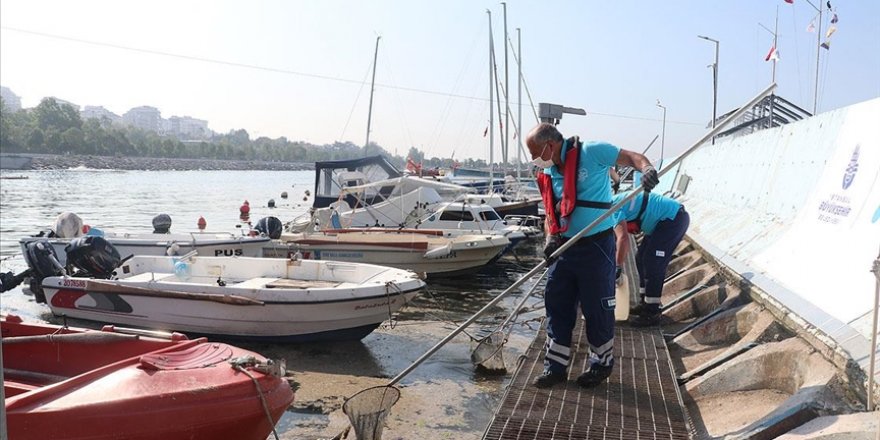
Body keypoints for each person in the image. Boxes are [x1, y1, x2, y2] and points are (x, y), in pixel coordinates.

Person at [526, 122, 659, 388]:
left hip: (595, 247)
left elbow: (632, 157)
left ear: (550, 146)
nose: (534, 160)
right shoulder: (549, 172)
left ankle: (601, 364)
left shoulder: (593, 152)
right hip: (564, 247)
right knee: (556, 303)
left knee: (597, 307)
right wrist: (550, 238)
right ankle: (556, 367)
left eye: (535, 153)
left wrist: (647, 169)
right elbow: (550, 213)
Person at [611, 189, 690, 326]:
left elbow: (623, 239)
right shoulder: (610, 204)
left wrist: (617, 267)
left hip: (672, 219)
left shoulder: (611, 210)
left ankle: (652, 312)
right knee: (640, 258)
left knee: (653, 263)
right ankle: (645, 303)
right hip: (661, 221)